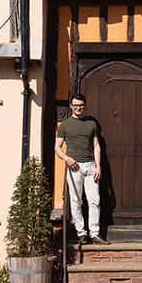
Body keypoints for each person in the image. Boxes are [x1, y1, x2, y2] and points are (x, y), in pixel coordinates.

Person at [55, 93, 104, 245]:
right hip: (74, 166)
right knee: (76, 201)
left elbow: (96, 146)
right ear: (71, 106)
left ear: (84, 105)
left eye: (81, 105)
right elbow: (57, 147)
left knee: (94, 200)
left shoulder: (91, 123)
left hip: (90, 166)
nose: (78, 108)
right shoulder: (65, 125)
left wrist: (98, 166)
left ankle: (95, 234)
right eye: (75, 105)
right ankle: (81, 233)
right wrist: (67, 159)